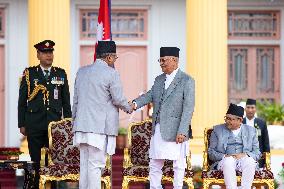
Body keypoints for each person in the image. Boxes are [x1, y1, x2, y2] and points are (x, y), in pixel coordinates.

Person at [72, 41, 133, 189]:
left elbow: (75, 102)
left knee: (85, 166)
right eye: (115, 58)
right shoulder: (111, 73)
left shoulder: (81, 71)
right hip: (98, 128)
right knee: (95, 166)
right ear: (110, 58)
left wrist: (74, 123)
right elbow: (118, 98)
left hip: (81, 127)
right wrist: (129, 107)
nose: (115, 61)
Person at [132, 47, 195, 189]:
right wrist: (135, 103)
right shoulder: (159, 79)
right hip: (159, 128)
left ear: (174, 60)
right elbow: (149, 95)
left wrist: (183, 131)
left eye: (164, 60)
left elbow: (188, 108)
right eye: (160, 60)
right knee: (155, 163)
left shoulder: (187, 80)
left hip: (177, 130)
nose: (161, 63)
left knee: (178, 165)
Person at [18, 40, 72, 188]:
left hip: (54, 127)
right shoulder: (29, 74)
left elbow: (66, 103)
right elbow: (22, 102)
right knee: (35, 162)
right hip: (34, 124)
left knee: (53, 164)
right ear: (38, 55)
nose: (49, 55)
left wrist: (67, 124)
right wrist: (22, 124)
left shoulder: (60, 74)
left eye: (50, 52)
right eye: (45, 52)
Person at [208, 103, 261, 189]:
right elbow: (211, 152)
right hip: (224, 161)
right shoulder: (217, 130)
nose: (227, 121)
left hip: (243, 160)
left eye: (230, 119)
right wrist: (225, 156)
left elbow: (257, 153)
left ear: (240, 120)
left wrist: (245, 155)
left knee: (250, 162)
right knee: (228, 161)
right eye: (226, 118)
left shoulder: (251, 131)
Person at [243, 98, 270, 168]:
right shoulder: (240, 122)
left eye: (252, 107)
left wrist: (267, 160)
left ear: (255, 109)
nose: (250, 110)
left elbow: (266, 142)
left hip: (258, 157)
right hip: (242, 156)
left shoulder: (261, 123)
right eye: (248, 107)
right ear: (245, 109)